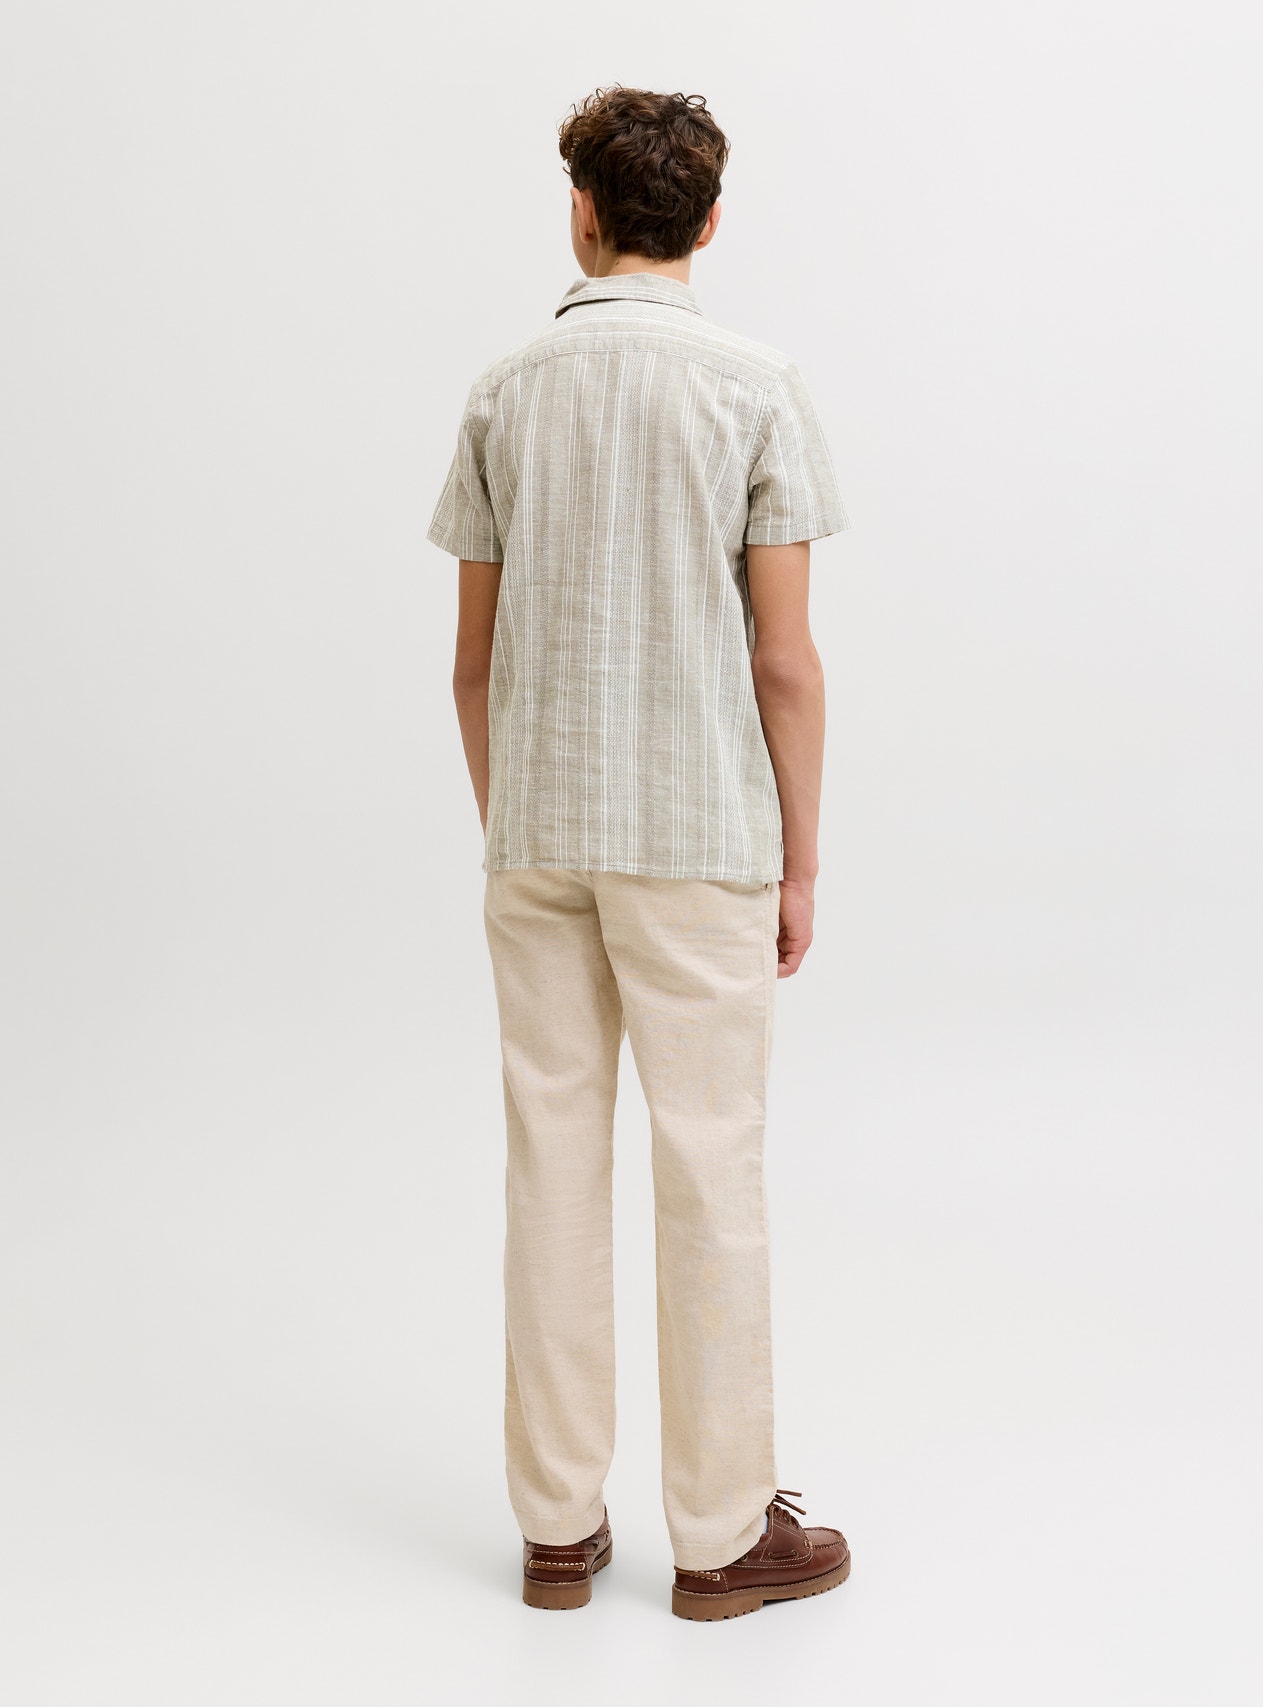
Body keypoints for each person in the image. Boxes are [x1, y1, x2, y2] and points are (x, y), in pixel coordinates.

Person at [427, 83, 852, 1622]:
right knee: (708, 1162)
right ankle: (724, 1538)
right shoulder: (756, 388)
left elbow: (471, 666)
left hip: (538, 833)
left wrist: (516, 822)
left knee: (550, 1158)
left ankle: (555, 1528)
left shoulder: (505, 392)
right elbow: (784, 662)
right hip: (697, 834)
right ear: (710, 222)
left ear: (583, 214)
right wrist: (801, 863)